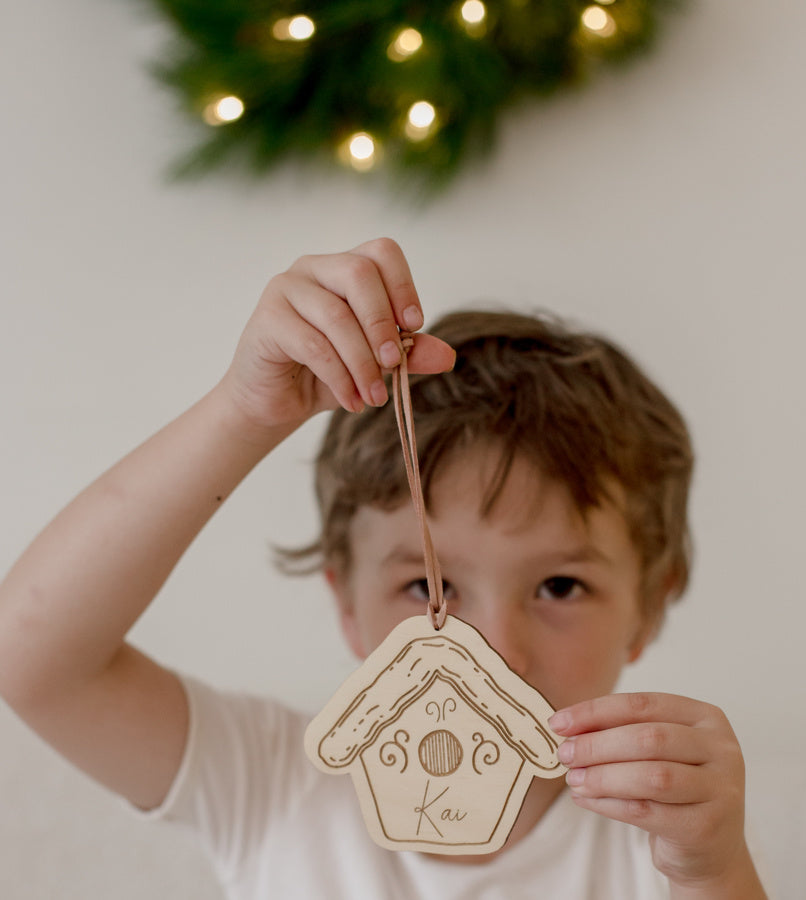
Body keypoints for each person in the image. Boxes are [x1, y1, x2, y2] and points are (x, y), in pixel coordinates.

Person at [0, 238, 767, 898]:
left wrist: (711, 872)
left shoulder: (661, 850)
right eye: (430, 588)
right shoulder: (270, 783)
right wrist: (243, 412)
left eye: (559, 586)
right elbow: (33, 657)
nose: (495, 648)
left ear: (650, 606)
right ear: (345, 602)